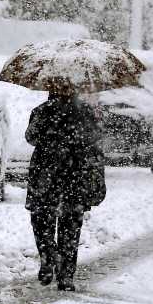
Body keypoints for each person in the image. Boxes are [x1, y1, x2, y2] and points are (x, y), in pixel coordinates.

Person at [25, 90, 107, 291]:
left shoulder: (42, 111)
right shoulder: (87, 112)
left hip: (46, 176)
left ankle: (48, 256)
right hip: (75, 177)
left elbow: (30, 137)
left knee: (42, 219)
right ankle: (66, 275)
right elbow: (95, 139)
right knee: (70, 225)